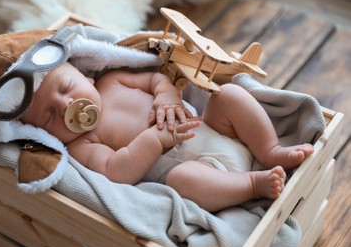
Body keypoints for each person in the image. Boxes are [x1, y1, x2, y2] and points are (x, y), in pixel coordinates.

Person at [20, 62, 314, 212]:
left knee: (228, 96)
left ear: (87, 76)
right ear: (44, 134)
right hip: (207, 172)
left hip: (217, 129)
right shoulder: (81, 145)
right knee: (180, 180)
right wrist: (155, 140)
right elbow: (115, 172)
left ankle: (269, 150)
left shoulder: (113, 80)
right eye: (48, 117)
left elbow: (158, 77)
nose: (64, 106)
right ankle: (252, 184)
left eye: (67, 86)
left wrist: (166, 96)